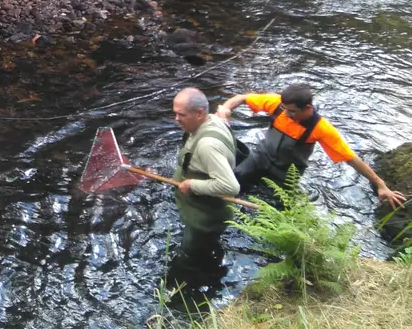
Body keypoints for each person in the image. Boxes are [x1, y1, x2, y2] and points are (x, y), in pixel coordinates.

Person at [216, 83, 406, 207]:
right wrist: (225, 109)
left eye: (292, 112)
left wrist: (380, 184)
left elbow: (351, 159)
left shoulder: (321, 129)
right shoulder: (278, 105)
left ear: (307, 108)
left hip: (285, 172)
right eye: (284, 109)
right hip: (261, 157)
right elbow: (242, 97)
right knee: (234, 179)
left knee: (276, 207)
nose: (286, 114)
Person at [169, 87, 240, 290]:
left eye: (181, 114)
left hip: (205, 216)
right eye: (175, 113)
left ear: (200, 113)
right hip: (203, 207)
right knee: (206, 246)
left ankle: (188, 288)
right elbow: (225, 115)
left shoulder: (206, 145)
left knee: (190, 255)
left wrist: (192, 184)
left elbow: (230, 186)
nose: (176, 119)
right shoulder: (216, 120)